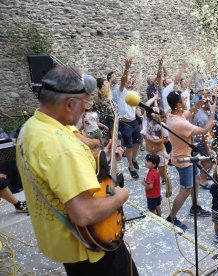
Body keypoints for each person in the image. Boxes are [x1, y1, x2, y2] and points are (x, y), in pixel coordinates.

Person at [16, 65, 137, 275]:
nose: (87, 108)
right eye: (85, 103)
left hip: (66, 245)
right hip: (93, 249)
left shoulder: (31, 128)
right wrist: (121, 196)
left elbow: (59, 176)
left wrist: (104, 158)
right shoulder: (63, 148)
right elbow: (84, 214)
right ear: (70, 103)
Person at [165, 90, 217, 230]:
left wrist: (201, 101)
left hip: (189, 157)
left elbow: (192, 111)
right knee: (185, 190)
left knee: (196, 181)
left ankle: (194, 207)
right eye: (183, 100)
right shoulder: (179, 123)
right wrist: (212, 113)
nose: (186, 100)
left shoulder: (175, 113)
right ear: (178, 105)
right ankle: (171, 217)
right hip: (183, 161)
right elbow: (205, 130)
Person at [118, 58, 142, 179]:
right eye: (127, 80)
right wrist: (126, 69)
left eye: (130, 80)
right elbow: (122, 80)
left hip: (133, 121)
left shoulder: (135, 94)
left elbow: (137, 107)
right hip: (124, 122)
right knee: (129, 144)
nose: (128, 81)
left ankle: (134, 158)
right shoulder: (122, 91)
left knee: (137, 141)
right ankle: (130, 166)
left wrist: (140, 114)